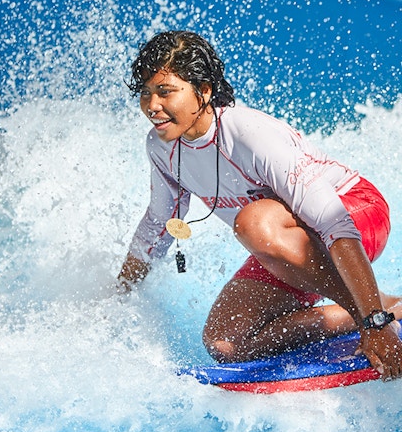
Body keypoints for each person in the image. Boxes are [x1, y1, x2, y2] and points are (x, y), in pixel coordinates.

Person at [117, 30, 402, 380]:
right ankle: (390, 306)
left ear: (204, 91)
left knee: (254, 224)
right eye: (145, 93)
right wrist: (119, 295)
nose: (152, 105)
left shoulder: (249, 134)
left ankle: (373, 313)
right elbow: (158, 224)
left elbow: (334, 223)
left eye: (165, 91)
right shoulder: (163, 148)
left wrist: (373, 324)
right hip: (289, 241)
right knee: (227, 343)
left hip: (357, 212)